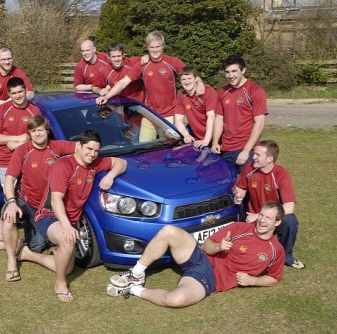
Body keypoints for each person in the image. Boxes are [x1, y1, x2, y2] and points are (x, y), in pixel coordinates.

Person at [106, 201, 286, 308]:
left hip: (210, 278)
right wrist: (218, 247)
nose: (261, 220)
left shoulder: (275, 250)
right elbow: (206, 245)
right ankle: (136, 273)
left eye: (268, 218)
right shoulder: (240, 228)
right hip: (201, 257)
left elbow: (275, 278)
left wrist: (253, 281)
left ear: (277, 222)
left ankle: (132, 289)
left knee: (176, 300)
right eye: (261, 215)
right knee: (169, 230)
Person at [34, 129, 127, 302]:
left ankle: (27, 254)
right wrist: (67, 227)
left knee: (67, 267)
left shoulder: (94, 164)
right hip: (50, 215)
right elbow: (55, 200)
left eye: (96, 151)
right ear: (78, 146)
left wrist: (111, 176)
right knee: (68, 241)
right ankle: (60, 284)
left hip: (70, 220)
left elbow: (121, 162)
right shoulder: (63, 165)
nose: (92, 154)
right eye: (89, 149)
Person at [1, 115, 76, 282]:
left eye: (40, 130)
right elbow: (9, 179)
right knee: (8, 216)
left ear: (47, 131)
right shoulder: (23, 150)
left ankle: (16, 245)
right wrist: (11, 203)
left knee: (37, 246)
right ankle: (11, 262)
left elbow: (82, 148)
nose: (37, 134)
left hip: (43, 208)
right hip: (24, 200)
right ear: (29, 134)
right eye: (33, 131)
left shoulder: (57, 147)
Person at [0, 77, 41, 245]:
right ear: (9, 94)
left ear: (26, 91)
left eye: (20, 92)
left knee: (10, 199)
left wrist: (18, 144)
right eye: (14, 93)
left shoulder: (34, 112)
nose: (18, 96)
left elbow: (37, 137)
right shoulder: (2, 109)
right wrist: (15, 139)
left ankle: (2, 227)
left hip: (13, 165)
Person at [96, 31, 187, 142]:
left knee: (169, 147)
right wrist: (107, 97)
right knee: (143, 145)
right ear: (147, 48)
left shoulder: (172, 62)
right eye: (151, 47)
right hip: (149, 114)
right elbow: (124, 82)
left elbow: (190, 77)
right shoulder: (142, 65)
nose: (155, 50)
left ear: (163, 46)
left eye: (157, 46)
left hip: (169, 115)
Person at [233, 140, 305, 269]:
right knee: (248, 256)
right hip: (252, 219)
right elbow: (240, 187)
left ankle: (286, 257)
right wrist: (240, 193)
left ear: (269, 159)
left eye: (258, 155)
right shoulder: (249, 168)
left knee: (290, 221)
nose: (253, 157)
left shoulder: (281, 174)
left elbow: (289, 207)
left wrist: (259, 216)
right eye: (254, 154)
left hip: (270, 218)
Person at [211, 54, 268, 172]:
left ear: (243, 70)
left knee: (248, 186)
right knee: (229, 187)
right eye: (227, 72)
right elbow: (219, 119)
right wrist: (215, 142)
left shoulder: (255, 91)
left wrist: (246, 151)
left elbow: (259, 124)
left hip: (245, 149)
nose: (230, 76)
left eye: (234, 71)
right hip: (226, 149)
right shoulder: (223, 91)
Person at [0, 46, 35, 136]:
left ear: (13, 58)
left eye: (9, 58)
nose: (7, 62)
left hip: (12, 118)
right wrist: (3, 103)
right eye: (3, 59)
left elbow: (30, 93)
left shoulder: (18, 73)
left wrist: (15, 99)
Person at [174, 66, 217, 148]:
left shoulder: (208, 91)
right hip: (199, 140)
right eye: (183, 79)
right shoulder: (182, 96)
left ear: (196, 79)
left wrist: (206, 140)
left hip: (216, 139)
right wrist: (186, 135)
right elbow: (178, 120)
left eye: (189, 78)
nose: (187, 82)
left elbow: (211, 117)